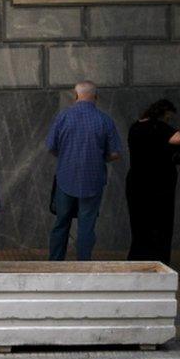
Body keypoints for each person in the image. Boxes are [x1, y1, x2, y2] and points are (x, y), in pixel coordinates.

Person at [46, 80, 122, 260]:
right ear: (96, 96)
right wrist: (98, 158)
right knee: (87, 225)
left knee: (61, 223)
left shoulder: (63, 117)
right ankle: (83, 264)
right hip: (93, 179)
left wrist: (66, 156)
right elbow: (115, 153)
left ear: (75, 95)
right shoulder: (104, 119)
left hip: (65, 177)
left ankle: (55, 263)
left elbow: (50, 146)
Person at [125, 99, 180, 264]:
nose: (169, 121)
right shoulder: (158, 126)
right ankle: (159, 260)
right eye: (168, 118)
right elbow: (179, 138)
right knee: (161, 224)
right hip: (160, 184)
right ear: (163, 115)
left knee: (139, 224)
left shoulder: (135, 127)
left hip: (136, 183)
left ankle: (138, 259)